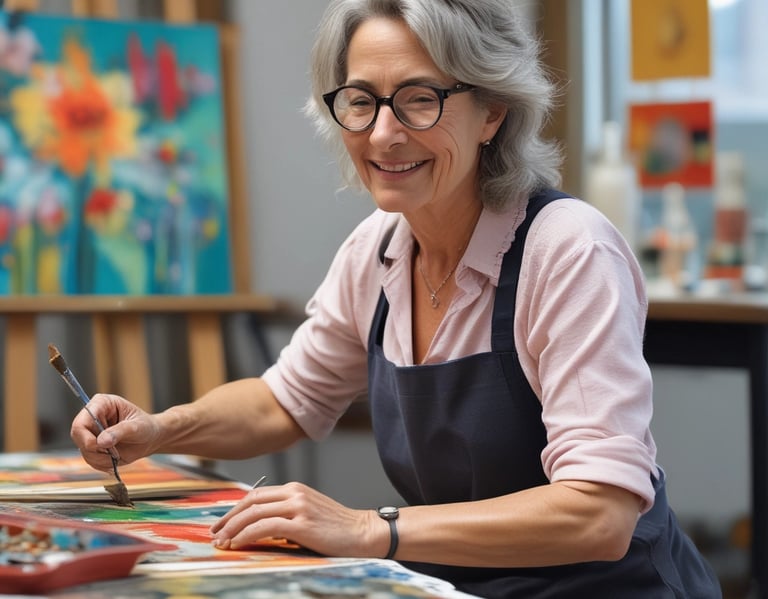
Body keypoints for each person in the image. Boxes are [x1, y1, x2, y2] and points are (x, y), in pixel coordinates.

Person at [71, 1, 722, 597]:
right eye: (361, 100)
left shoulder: (567, 249)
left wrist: (367, 528)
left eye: (419, 99)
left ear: (492, 110)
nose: (383, 135)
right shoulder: (376, 250)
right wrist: (160, 429)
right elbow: (283, 401)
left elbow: (600, 513)